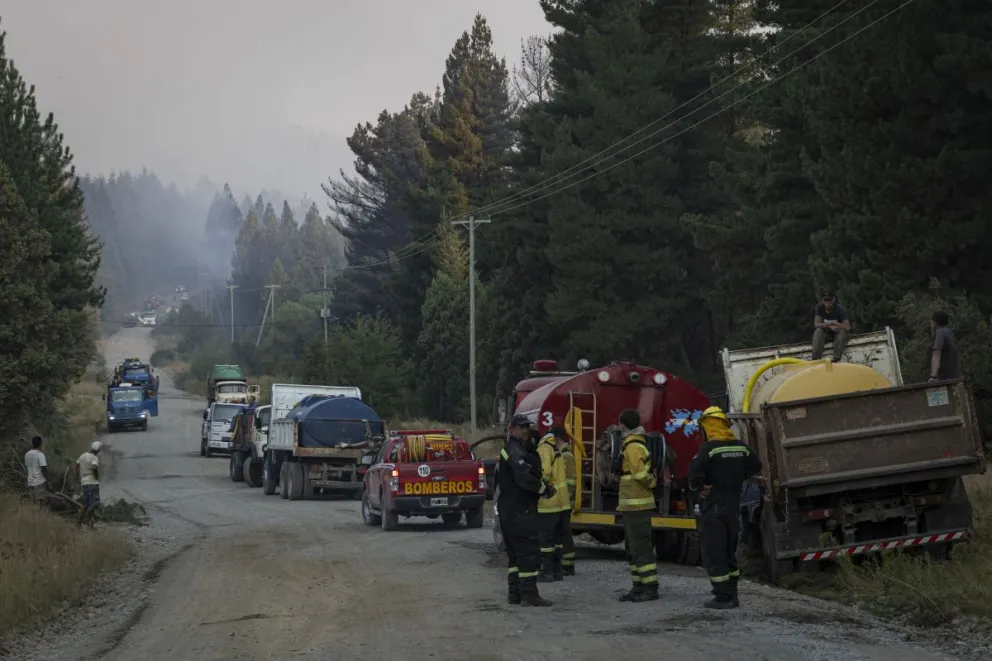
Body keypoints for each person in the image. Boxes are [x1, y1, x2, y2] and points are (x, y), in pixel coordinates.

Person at [688, 406, 762, 609]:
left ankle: (723, 597)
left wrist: (700, 487)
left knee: (715, 553)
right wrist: (739, 476)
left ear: (708, 427)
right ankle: (733, 594)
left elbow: (694, 474)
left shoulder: (709, 449)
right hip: (732, 509)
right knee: (729, 552)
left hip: (713, 509)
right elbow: (756, 466)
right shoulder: (741, 447)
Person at [497, 414, 555, 607]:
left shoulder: (516, 449)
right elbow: (524, 479)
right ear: (511, 429)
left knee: (515, 554)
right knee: (529, 550)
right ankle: (529, 594)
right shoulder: (514, 450)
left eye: (527, 427)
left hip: (511, 507)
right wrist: (544, 489)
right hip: (518, 508)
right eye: (521, 427)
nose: (525, 431)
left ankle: (515, 594)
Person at [616, 409, 658, 602]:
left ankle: (649, 588)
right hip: (631, 506)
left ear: (623, 424)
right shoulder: (633, 443)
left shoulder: (632, 445)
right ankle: (638, 587)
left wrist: (652, 483)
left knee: (640, 548)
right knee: (632, 548)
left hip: (638, 505)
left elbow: (639, 474)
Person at [536, 426, 570, 582]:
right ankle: (557, 571)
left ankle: (547, 571)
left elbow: (545, 473)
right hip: (562, 502)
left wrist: (536, 486)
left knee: (545, 540)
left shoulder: (543, 447)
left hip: (548, 502)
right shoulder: (556, 448)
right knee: (557, 540)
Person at [556, 427, 578, 576]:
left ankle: (568, 565)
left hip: (565, 500)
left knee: (564, 533)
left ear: (557, 439)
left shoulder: (565, 456)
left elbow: (569, 481)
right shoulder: (564, 455)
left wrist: (565, 499)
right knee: (563, 532)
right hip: (563, 499)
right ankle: (565, 564)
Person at [812, 289, 851, 361]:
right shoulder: (819, 307)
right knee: (818, 331)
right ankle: (816, 358)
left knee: (842, 333)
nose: (827, 302)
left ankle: (836, 358)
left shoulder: (840, 309)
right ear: (823, 301)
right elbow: (816, 324)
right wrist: (830, 326)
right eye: (825, 300)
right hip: (825, 334)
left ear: (834, 299)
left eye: (829, 300)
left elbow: (848, 327)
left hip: (837, 334)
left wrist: (836, 324)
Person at [76, 441, 102, 528]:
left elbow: (76, 465)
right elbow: (94, 467)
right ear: (98, 450)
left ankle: (80, 523)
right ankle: (87, 518)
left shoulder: (82, 456)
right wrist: (96, 476)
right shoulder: (94, 458)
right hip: (92, 482)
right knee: (95, 502)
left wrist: (77, 477)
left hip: (84, 482)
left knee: (87, 504)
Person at [929, 311, 959, 381]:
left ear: (935, 322)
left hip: (944, 376)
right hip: (954, 373)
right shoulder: (949, 332)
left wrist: (933, 376)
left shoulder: (940, 333)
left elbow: (936, 354)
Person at [25, 435, 49, 501]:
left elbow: (27, 467)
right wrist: (48, 481)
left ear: (32, 443)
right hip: (39, 482)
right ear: (40, 444)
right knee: (41, 502)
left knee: (32, 502)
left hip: (30, 482)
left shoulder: (27, 454)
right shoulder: (40, 455)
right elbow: (44, 469)